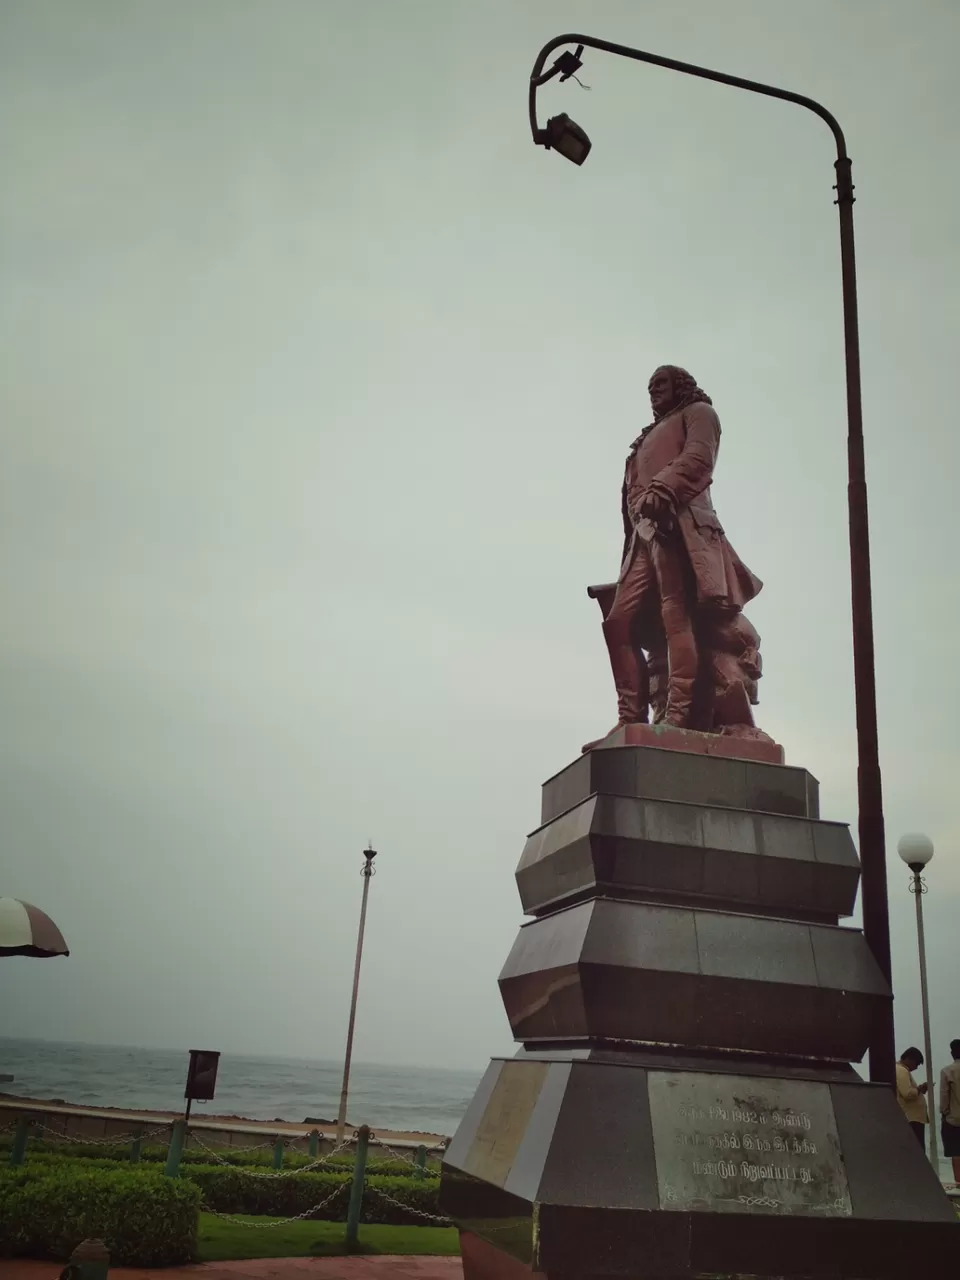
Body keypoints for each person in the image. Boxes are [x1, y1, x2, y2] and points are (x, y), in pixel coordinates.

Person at [599, 365, 762, 731]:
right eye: (649, 387)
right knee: (617, 624)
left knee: (677, 617)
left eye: (661, 384)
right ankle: (630, 721)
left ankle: (678, 715)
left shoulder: (700, 413)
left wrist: (663, 488)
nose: (654, 391)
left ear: (680, 385)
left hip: (678, 525)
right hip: (642, 536)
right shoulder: (644, 439)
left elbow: (700, 459)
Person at [896, 1046, 929, 1147]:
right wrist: (919, 1089)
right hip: (912, 1118)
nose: (916, 1067)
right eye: (917, 1064)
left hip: (913, 1118)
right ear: (909, 1058)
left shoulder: (902, 1070)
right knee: (917, 1148)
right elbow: (907, 1093)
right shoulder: (902, 1071)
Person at [939, 1038, 960, 1183]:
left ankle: (959, 1184)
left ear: (952, 1053)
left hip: (954, 1118)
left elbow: (944, 1094)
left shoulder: (947, 1071)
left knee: (956, 1153)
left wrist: (944, 1112)